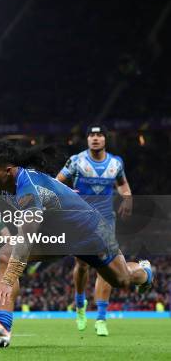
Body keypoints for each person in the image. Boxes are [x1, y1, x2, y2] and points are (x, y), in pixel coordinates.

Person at [0, 140, 151, 348]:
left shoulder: (28, 191)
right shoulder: (1, 186)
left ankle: (145, 272)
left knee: (121, 280)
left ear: (8, 171)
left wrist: (8, 279)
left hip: (90, 233)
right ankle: (2, 327)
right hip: (58, 238)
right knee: (4, 254)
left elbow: (26, 239)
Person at [56, 125, 132, 336]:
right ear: (87, 139)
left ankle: (101, 317)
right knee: (81, 265)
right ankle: (80, 304)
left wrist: (127, 197)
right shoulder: (76, 160)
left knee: (105, 266)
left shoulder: (115, 163)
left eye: (99, 135)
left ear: (105, 139)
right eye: (91, 135)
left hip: (105, 221)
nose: (95, 138)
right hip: (81, 220)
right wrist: (65, 191)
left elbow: (123, 184)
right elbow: (56, 182)